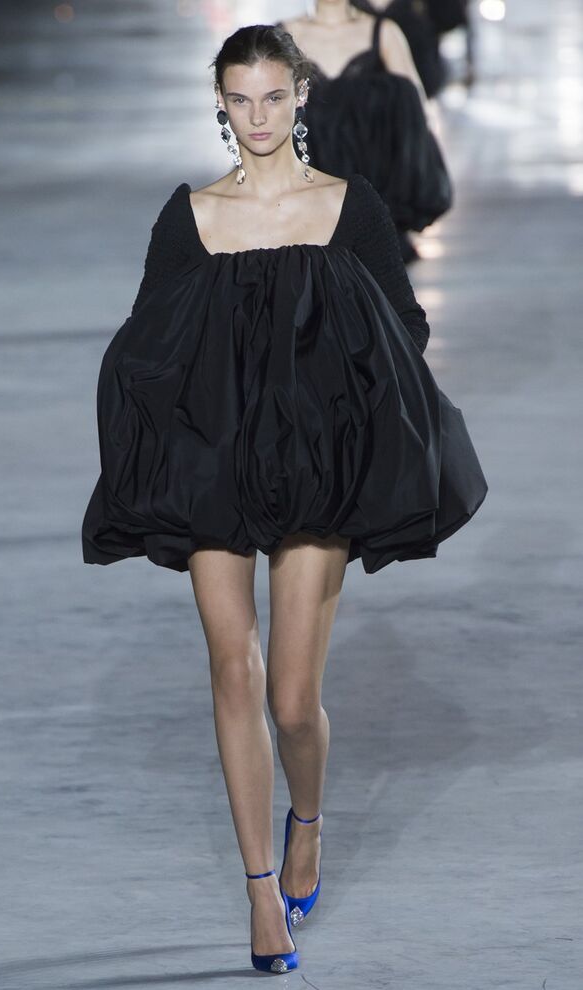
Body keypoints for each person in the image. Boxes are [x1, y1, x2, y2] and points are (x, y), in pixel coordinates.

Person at [81, 24, 487, 974]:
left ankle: (308, 821)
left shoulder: (348, 207)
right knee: (234, 671)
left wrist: (339, 412)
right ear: (220, 104)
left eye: (273, 97)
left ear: (300, 96)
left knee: (293, 699)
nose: (257, 117)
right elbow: (150, 341)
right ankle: (261, 896)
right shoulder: (189, 217)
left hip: (316, 468)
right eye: (240, 99)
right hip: (215, 464)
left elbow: (404, 329)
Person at [278, 1, 452, 263]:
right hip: (306, 202)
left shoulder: (384, 33)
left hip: (374, 200)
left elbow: (414, 116)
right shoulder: (282, 37)